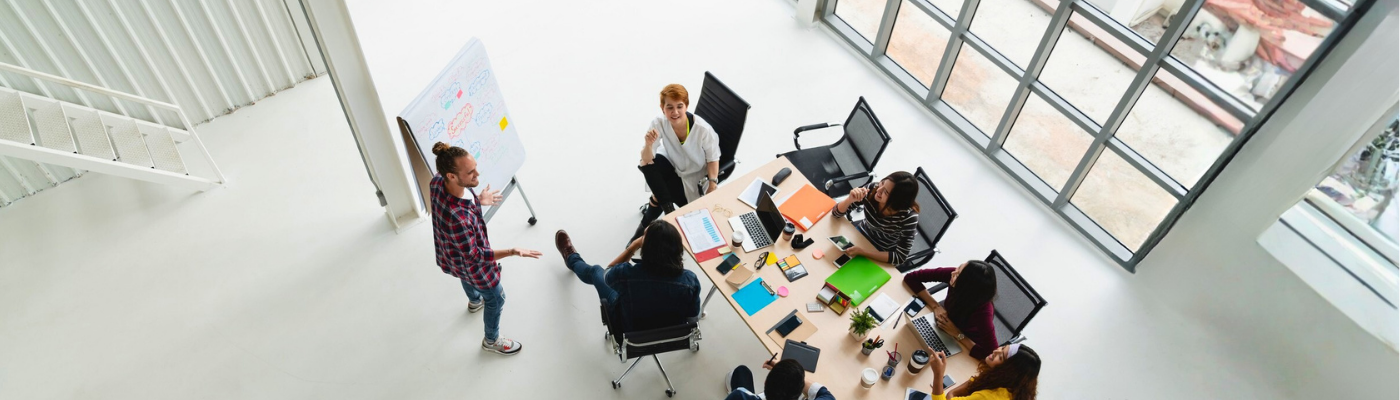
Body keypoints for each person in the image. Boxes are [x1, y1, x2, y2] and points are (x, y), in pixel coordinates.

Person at [429, 142, 542, 355]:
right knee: (497, 298)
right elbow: (475, 256)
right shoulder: (458, 219)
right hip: (473, 263)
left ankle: (474, 301)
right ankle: (491, 340)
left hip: (452, 256)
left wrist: (478, 201)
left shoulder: (437, 182)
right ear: (452, 176)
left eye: (475, 167)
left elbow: (461, 219)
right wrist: (512, 251)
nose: (477, 174)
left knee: (465, 275)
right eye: (470, 172)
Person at [554, 220, 701, 333]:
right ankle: (572, 259)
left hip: (630, 332)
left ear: (646, 248)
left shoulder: (625, 274)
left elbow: (607, 273)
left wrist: (633, 246)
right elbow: (693, 316)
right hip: (672, 336)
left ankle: (572, 259)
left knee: (596, 272)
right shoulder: (690, 280)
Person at [633, 83, 721, 241]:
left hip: (694, 176)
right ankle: (668, 211)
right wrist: (647, 144)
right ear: (662, 108)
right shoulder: (659, 122)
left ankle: (641, 233)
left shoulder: (703, 130)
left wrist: (712, 185)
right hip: (672, 164)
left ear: (686, 106)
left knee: (658, 194)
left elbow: (713, 158)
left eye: (679, 106)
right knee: (649, 166)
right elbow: (646, 160)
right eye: (669, 107)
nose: (675, 112)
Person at [903, 260, 999, 360]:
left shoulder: (984, 312)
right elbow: (911, 277)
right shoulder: (955, 274)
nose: (953, 272)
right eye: (959, 267)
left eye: (958, 274)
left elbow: (992, 356)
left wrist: (958, 334)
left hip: (964, 343)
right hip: (943, 324)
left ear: (967, 287)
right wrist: (936, 306)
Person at [831, 171, 920, 265]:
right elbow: (835, 214)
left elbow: (900, 257)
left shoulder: (909, 217)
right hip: (861, 232)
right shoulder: (872, 188)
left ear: (896, 200)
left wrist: (863, 252)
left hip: (881, 250)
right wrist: (850, 200)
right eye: (882, 183)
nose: (879, 190)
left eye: (886, 192)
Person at [927, 344, 1040, 400]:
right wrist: (950, 394)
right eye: (1002, 347)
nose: (996, 350)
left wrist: (938, 374)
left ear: (1007, 371)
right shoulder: (1014, 388)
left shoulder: (989, 397)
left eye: (1001, 357)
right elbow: (975, 382)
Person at [724, 359, 834, 400]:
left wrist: (781, 369)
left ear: (766, 382)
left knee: (741, 371)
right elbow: (826, 395)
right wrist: (793, 377)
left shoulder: (740, 396)